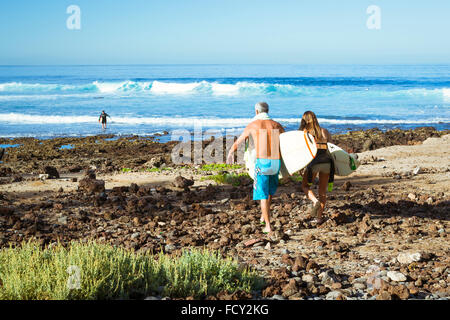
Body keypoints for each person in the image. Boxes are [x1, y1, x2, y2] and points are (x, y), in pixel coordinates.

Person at [227, 102, 285, 235]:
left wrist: (231, 152)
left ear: (257, 112)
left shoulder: (253, 125)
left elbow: (239, 141)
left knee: (263, 195)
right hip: (276, 162)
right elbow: (286, 142)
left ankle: (268, 226)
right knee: (269, 192)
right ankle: (264, 217)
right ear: (267, 110)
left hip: (262, 163)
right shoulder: (276, 125)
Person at [299, 111, 334, 225]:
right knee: (322, 191)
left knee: (305, 186)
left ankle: (315, 202)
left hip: (314, 163)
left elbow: (302, 152)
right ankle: (319, 218)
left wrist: (300, 167)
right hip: (327, 163)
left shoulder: (305, 133)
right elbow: (332, 148)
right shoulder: (325, 131)